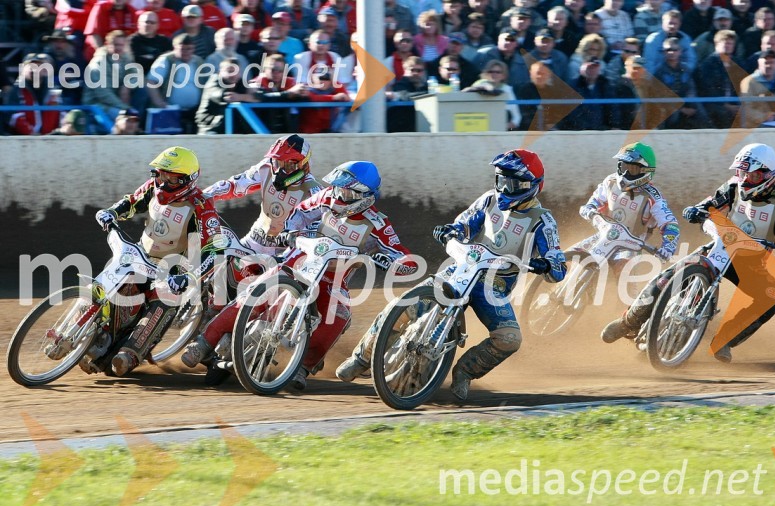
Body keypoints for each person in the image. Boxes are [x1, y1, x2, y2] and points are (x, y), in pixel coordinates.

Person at [336, 149, 567, 401]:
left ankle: (465, 372)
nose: (504, 188)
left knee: (509, 339)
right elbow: (465, 223)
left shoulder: (543, 221)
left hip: (494, 285)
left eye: (512, 184)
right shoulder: (489, 200)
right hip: (462, 268)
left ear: (530, 186)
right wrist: (450, 230)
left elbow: (558, 265)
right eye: (501, 180)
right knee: (403, 305)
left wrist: (546, 265)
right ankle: (361, 358)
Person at [184, 160, 419, 390]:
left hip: (332, 279)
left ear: (365, 197)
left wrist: (392, 262)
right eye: (338, 189)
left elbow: (405, 257)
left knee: (339, 317)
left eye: (346, 192)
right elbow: (300, 212)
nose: (338, 195)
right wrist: (290, 231)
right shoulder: (326, 197)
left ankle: (303, 367)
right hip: (299, 259)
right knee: (259, 290)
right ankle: (205, 342)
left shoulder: (378, 224)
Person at [603, 143, 775, 362]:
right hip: (720, 247)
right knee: (667, 277)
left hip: (751, 263)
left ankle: (723, 341)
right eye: (742, 172)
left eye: (752, 175)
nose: (745, 179)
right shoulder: (732, 187)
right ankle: (628, 322)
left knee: (770, 299)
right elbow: (708, 204)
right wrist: (695, 210)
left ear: (768, 175)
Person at [90, 147, 224, 376]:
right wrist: (112, 212)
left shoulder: (201, 206)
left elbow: (215, 249)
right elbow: (132, 202)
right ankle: (98, 335)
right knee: (117, 286)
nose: (162, 183)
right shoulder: (152, 187)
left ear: (188, 180)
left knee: (165, 299)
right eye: (160, 175)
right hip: (141, 256)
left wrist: (188, 277)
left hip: (173, 271)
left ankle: (130, 355)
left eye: (171, 178)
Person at [578, 142, 679, 277]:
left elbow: (671, 224)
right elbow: (595, 201)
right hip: (604, 236)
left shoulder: (653, 197)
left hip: (630, 245)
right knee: (571, 255)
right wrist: (589, 209)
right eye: (623, 166)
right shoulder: (611, 181)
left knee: (624, 271)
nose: (626, 172)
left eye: (632, 169)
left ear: (646, 171)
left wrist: (668, 247)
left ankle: (627, 290)